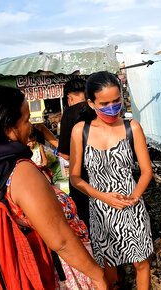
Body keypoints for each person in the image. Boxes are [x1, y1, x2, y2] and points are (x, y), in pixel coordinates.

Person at [0, 85, 107, 289]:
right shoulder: (21, 172)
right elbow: (62, 241)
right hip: (67, 272)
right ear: (7, 129)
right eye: (25, 120)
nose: (30, 127)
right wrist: (97, 275)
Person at [70, 71, 153, 290]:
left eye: (116, 100)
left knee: (142, 263)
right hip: (100, 211)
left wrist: (134, 197)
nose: (112, 107)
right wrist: (103, 197)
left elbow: (146, 171)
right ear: (91, 103)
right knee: (107, 265)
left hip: (132, 207)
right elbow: (75, 178)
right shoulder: (80, 131)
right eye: (104, 103)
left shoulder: (131, 127)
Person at [58, 77, 96, 227]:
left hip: (81, 179)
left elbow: (64, 154)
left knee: (86, 220)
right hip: (104, 176)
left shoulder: (70, 113)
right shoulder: (96, 108)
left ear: (69, 98)